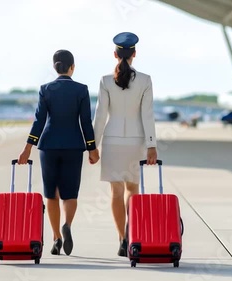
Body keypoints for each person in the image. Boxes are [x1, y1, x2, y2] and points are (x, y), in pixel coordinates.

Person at [18, 49, 100, 256]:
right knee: (70, 193)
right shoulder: (81, 90)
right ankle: (68, 225)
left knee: (51, 193)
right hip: (73, 146)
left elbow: (39, 120)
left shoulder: (46, 89)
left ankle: (56, 237)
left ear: (54, 67)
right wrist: (92, 148)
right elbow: (85, 122)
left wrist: (28, 147)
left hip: (49, 146)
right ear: (72, 67)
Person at [93, 32, 158, 257]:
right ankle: (132, 232)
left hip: (111, 141)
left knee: (116, 191)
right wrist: (151, 145)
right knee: (133, 189)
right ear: (134, 54)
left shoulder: (105, 80)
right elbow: (147, 115)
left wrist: (93, 145)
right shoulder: (145, 80)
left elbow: (100, 116)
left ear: (115, 54)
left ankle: (122, 238)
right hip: (136, 141)